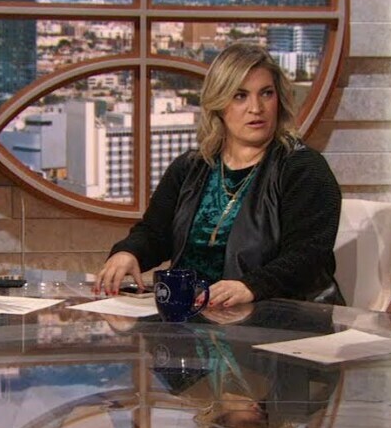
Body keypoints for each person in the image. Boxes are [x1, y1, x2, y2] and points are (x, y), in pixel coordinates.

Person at [95, 43, 344, 307]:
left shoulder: (304, 168)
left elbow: (308, 256)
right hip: (193, 313)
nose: (256, 108)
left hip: (277, 316)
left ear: (279, 100)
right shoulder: (190, 167)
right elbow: (155, 233)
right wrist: (129, 252)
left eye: (266, 93)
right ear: (218, 104)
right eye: (240, 96)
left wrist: (251, 286)